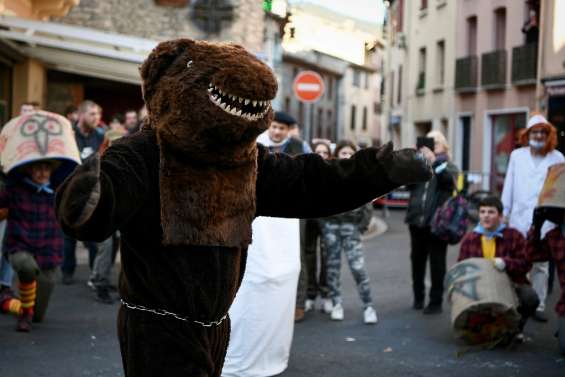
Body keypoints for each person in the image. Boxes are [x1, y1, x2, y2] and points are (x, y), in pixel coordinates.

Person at [55, 38, 432, 377]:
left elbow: (313, 182)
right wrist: (87, 199)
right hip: (156, 325)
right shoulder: (143, 153)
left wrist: (383, 169)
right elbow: (101, 204)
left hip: (216, 323)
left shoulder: (249, 161)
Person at [501, 114, 564, 322]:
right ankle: (516, 300)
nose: (539, 135)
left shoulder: (558, 158)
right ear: (527, 135)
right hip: (519, 216)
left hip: (546, 221)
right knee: (519, 260)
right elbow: (509, 184)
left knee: (542, 265)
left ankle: (538, 304)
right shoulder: (517, 156)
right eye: (535, 132)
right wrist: (505, 211)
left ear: (549, 135)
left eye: (543, 132)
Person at [258, 111, 312, 322]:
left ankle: (298, 303)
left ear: (288, 131)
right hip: (265, 210)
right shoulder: (259, 145)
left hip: (294, 209)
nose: (277, 131)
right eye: (274, 127)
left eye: (282, 128)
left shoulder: (300, 147)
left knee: (296, 255)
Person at [458, 196, 538, 339]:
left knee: (530, 297)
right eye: (482, 212)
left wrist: (506, 263)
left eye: (491, 212)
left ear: (500, 216)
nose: (486, 216)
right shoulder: (470, 239)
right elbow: (461, 267)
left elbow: (526, 263)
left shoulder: (514, 236)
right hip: (480, 287)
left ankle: (516, 327)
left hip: (510, 285)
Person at [0, 160, 64, 331]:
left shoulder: (59, 190)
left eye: (46, 169)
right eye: (38, 168)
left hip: (49, 251)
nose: (42, 173)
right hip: (19, 246)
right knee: (26, 266)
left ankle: (6, 302)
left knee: (37, 316)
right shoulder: (15, 189)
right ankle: (24, 314)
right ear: (29, 170)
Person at [319, 140, 377, 324]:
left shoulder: (360, 175)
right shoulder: (330, 173)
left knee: (358, 268)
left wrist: (362, 225)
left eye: (350, 153)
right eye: (343, 153)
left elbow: (368, 203)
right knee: (333, 269)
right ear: (337, 154)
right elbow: (318, 201)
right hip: (331, 228)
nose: (346, 156)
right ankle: (336, 304)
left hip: (351, 227)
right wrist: (324, 224)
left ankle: (368, 306)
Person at [406, 130, 458, 314]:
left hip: (437, 222)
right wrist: (414, 161)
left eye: (435, 143)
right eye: (428, 143)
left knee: (437, 262)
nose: (431, 147)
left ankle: (435, 302)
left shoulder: (449, 166)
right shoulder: (420, 165)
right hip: (416, 221)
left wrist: (435, 162)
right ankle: (418, 298)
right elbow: (408, 185)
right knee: (417, 261)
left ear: (444, 147)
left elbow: (449, 183)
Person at [61, 100, 105, 285]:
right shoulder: (68, 135)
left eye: (98, 114)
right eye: (92, 114)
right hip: (70, 192)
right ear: (81, 115)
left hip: (91, 193)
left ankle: (95, 274)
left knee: (94, 236)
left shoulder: (101, 136)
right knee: (68, 236)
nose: (97, 118)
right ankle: (67, 271)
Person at [304, 141, 332, 314]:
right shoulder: (307, 170)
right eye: (318, 152)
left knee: (327, 256)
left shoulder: (334, 170)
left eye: (325, 152)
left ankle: (326, 295)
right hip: (309, 219)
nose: (321, 155)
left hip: (328, 219)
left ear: (329, 155)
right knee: (309, 257)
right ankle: (310, 294)